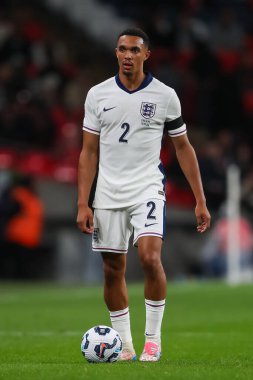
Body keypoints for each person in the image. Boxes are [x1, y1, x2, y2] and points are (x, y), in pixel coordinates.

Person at [76, 28, 211, 362]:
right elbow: (88, 152)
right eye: (122, 49)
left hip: (147, 187)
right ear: (116, 53)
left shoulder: (165, 96)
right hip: (107, 193)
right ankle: (124, 344)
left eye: (134, 50)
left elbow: (183, 147)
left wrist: (200, 199)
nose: (127, 55)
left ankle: (153, 340)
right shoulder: (98, 95)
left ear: (146, 55)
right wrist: (83, 201)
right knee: (112, 269)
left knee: (150, 258)